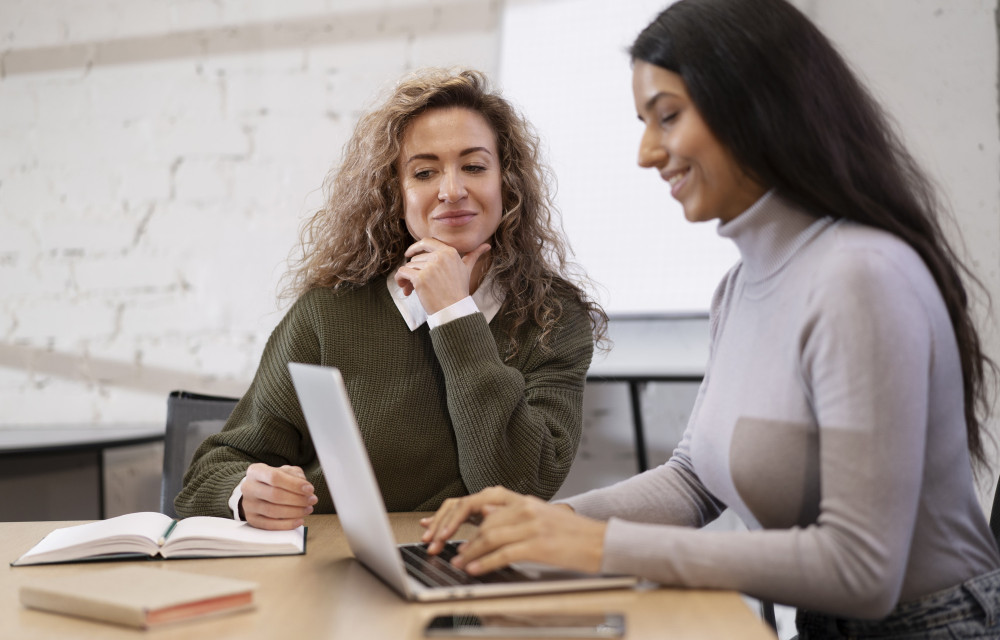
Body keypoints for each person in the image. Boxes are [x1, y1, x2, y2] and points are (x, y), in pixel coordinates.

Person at [420, 1, 1000, 638]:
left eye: (667, 117)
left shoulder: (864, 276)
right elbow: (694, 482)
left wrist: (601, 548)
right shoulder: (740, 286)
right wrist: (544, 523)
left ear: (758, 106)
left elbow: (864, 568)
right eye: (645, 122)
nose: (647, 153)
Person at [175, 68, 606, 532]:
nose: (451, 190)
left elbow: (522, 486)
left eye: (475, 166)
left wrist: (454, 313)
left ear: (508, 182)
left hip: (468, 575)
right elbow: (207, 476)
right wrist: (246, 494)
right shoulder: (329, 313)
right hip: (333, 572)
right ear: (396, 192)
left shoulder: (553, 318)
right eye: (424, 172)